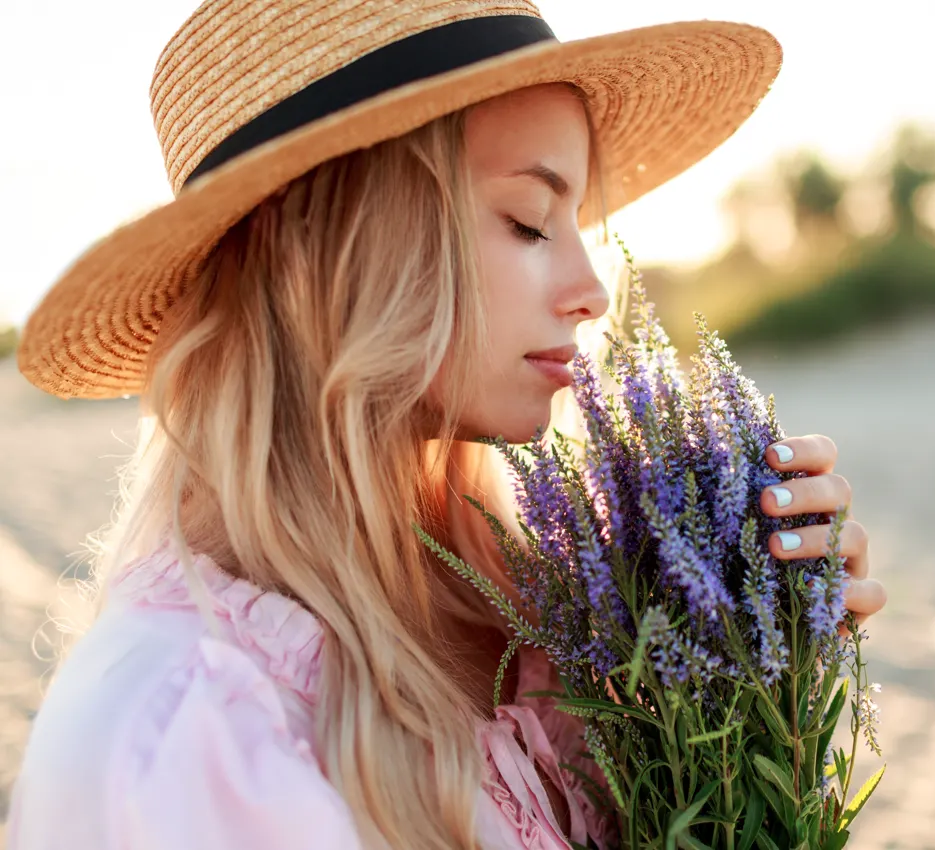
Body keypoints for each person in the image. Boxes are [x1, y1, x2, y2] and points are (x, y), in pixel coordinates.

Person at [7, 2, 888, 848]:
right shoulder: (187, 736)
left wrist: (752, 674)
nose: (594, 289)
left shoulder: (549, 622)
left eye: (579, 224)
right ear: (322, 252)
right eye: (529, 221)